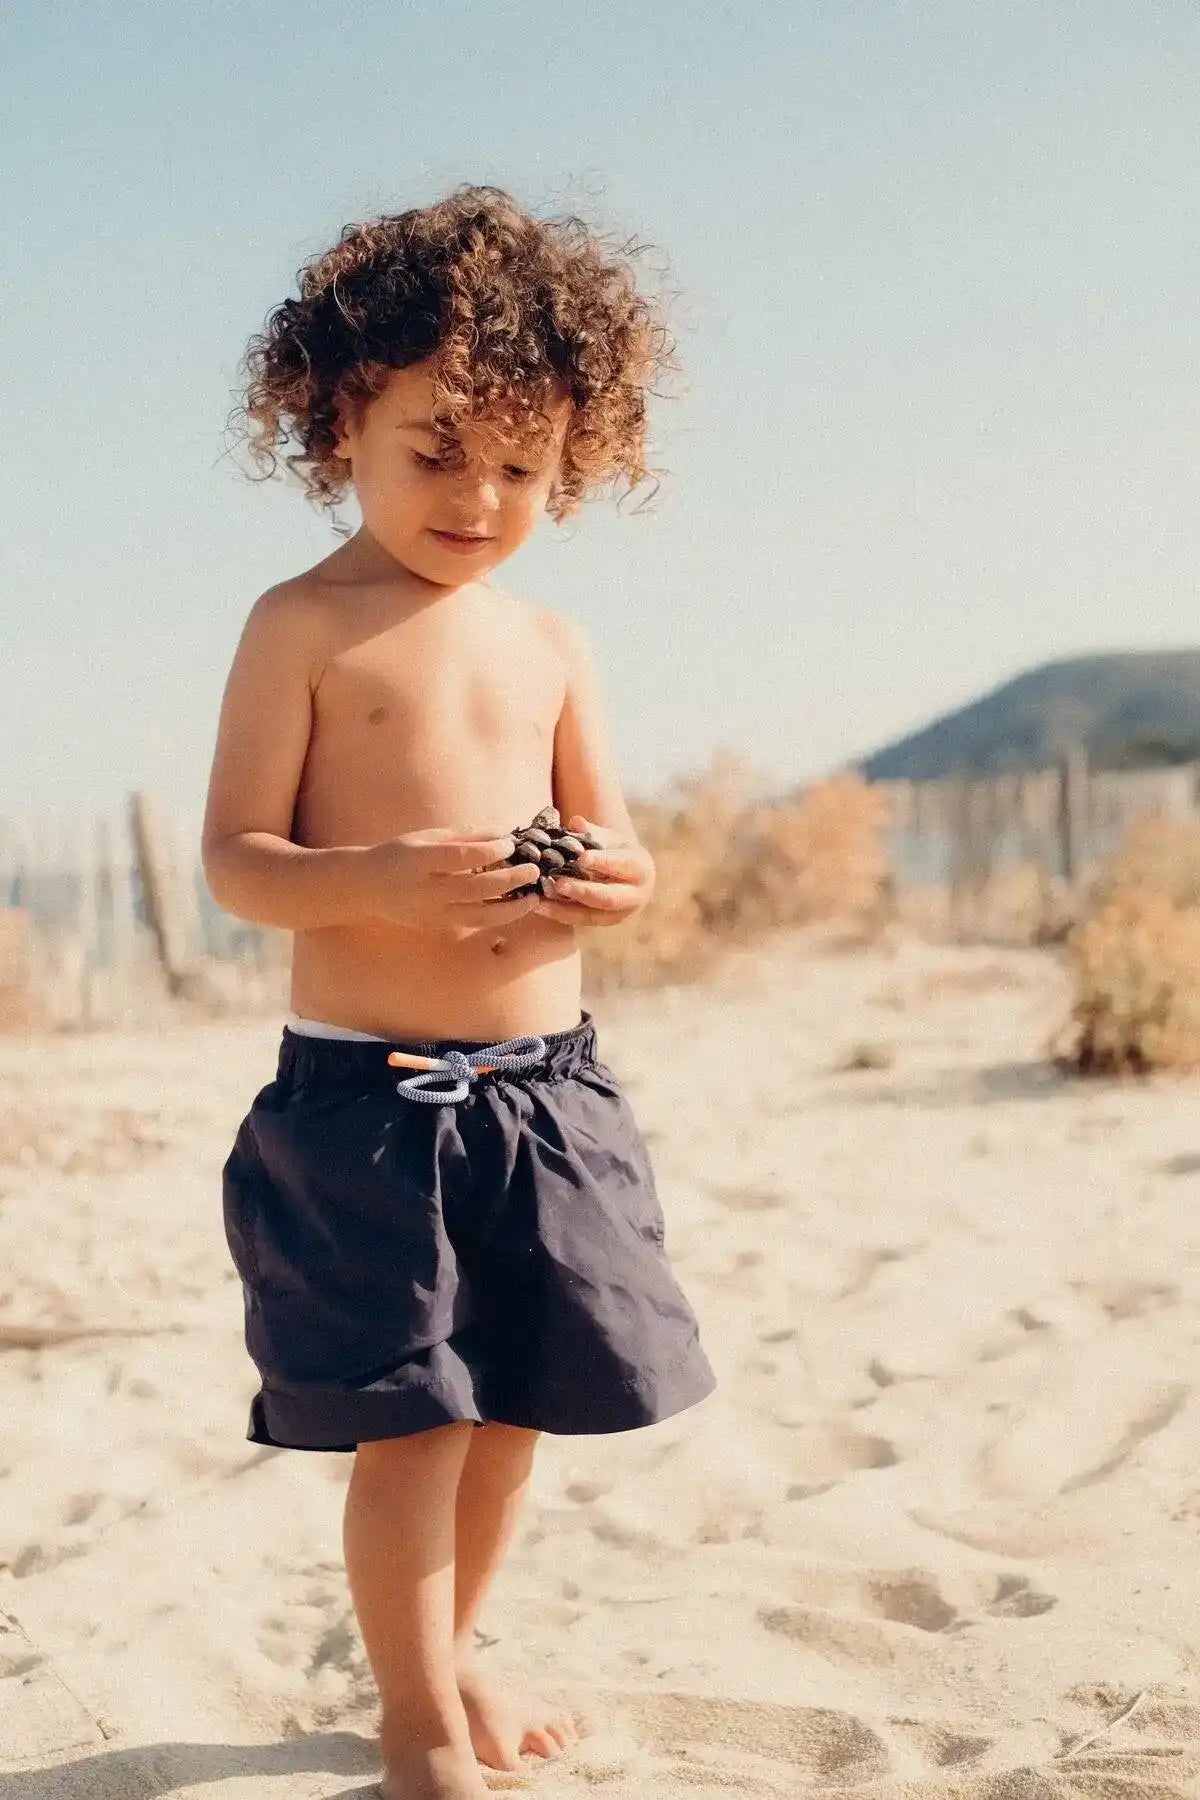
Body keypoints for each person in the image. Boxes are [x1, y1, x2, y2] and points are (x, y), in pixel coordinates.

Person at [202, 184, 716, 1800]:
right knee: (414, 1424)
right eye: (438, 451)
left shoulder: (553, 641)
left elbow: (617, 843)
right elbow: (236, 861)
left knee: (520, 1414)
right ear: (343, 411)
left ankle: (465, 1646)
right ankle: (414, 1715)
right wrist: (370, 879)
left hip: (549, 1095)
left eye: (524, 467)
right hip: (369, 1101)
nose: (480, 497)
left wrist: (617, 879)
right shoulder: (301, 626)